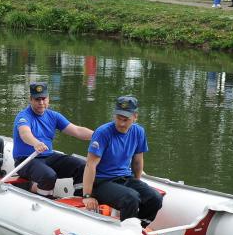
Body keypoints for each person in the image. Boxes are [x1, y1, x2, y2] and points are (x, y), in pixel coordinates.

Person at [80, 96, 163, 227]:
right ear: (114, 115)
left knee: (155, 198)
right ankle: (127, 231)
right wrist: (87, 195)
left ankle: (139, 227)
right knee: (131, 198)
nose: (121, 123)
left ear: (135, 117)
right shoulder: (103, 133)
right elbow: (90, 165)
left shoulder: (139, 132)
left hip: (124, 178)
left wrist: (137, 182)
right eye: (118, 118)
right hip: (101, 182)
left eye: (126, 119)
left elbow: (137, 161)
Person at [12, 83, 92, 198]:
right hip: (25, 160)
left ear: (48, 98)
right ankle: (37, 193)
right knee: (49, 175)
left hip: (47, 156)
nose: (41, 103)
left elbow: (77, 130)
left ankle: (79, 198)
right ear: (31, 100)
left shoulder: (54, 116)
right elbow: (25, 134)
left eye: (43, 99)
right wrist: (36, 143)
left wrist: (98, 136)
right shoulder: (23, 116)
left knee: (82, 166)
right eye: (37, 99)